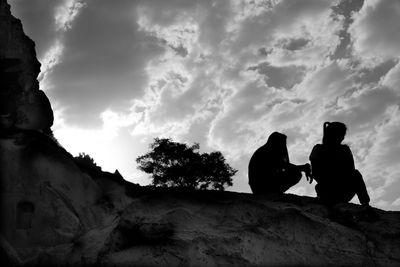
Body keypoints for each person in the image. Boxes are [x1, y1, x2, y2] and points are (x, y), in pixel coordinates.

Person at [309, 122, 370, 206]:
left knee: (356, 175)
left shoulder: (345, 150)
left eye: (343, 134)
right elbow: (315, 173)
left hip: (343, 190)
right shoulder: (318, 149)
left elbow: (351, 170)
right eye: (340, 134)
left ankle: (365, 204)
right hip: (326, 190)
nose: (342, 137)